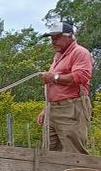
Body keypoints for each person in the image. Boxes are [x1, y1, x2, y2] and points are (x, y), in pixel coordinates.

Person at [36, 18, 94, 154]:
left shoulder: (80, 53)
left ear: (69, 37)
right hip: (53, 109)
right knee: (49, 151)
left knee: (73, 152)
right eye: (51, 38)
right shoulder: (58, 56)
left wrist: (54, 77)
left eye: (56, 38)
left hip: (71, 108)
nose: (53, 42)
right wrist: (46, 109)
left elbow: (81, 77)